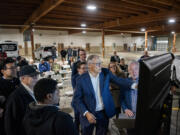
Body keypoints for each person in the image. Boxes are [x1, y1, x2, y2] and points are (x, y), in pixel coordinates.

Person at [73, 55, 137, 135]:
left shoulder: (105, 72)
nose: (100, 66)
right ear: (89, 65)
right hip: (88, 113)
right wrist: (86, 113)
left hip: (103, 113)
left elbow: (118, 80)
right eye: (97, 64)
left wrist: (134, 85)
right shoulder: (81, 79)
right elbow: (77, 99)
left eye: (101, 63)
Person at [4, 65, 39, 135]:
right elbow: (10, 124)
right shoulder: (15, 97)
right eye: (32, 76)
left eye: (36, 75)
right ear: (22, 78)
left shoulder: (35, 91)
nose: (36, 78)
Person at [0, 58, 20, 135]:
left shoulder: (17, 81)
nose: (15, 69)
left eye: (15, 67)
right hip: (5, 116)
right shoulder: (1, 83)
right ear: (2, 71)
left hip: (17, 114)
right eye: (11, 68)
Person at [120, 61, 139, 135]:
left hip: (141, 117)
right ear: (128, 71)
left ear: (139, 70)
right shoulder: (125, 83)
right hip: (130, 116)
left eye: (136, 69)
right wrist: (125, 109)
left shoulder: (145, 82)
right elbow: (121, 98)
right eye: (131, 69)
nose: (134, 72)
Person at [71, 62, 87, 132]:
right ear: (78, 69)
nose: (85, 70)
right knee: (77, 119)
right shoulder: (75, 78)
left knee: (84, 119)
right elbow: (76, 90)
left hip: (86, 101)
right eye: (83, 68)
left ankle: (83, 130)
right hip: (77, 101)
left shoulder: (88, 76)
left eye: (86, 68)